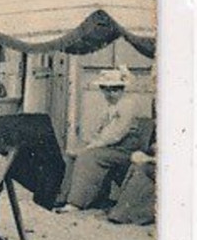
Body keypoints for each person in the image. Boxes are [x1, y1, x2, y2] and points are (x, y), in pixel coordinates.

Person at [60, 68, 144, 211]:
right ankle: (63, 196)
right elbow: (100, 131)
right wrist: (90, 142)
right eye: (106, 89)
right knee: (72, 154)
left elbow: (116, 134)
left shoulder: (128, 105)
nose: (110, 94)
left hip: (125, 149)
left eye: (115, 90)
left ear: (122, 89)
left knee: (90, 156)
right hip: (111, 147)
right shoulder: (111, 107)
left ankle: (76, 203)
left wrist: (93, 146)